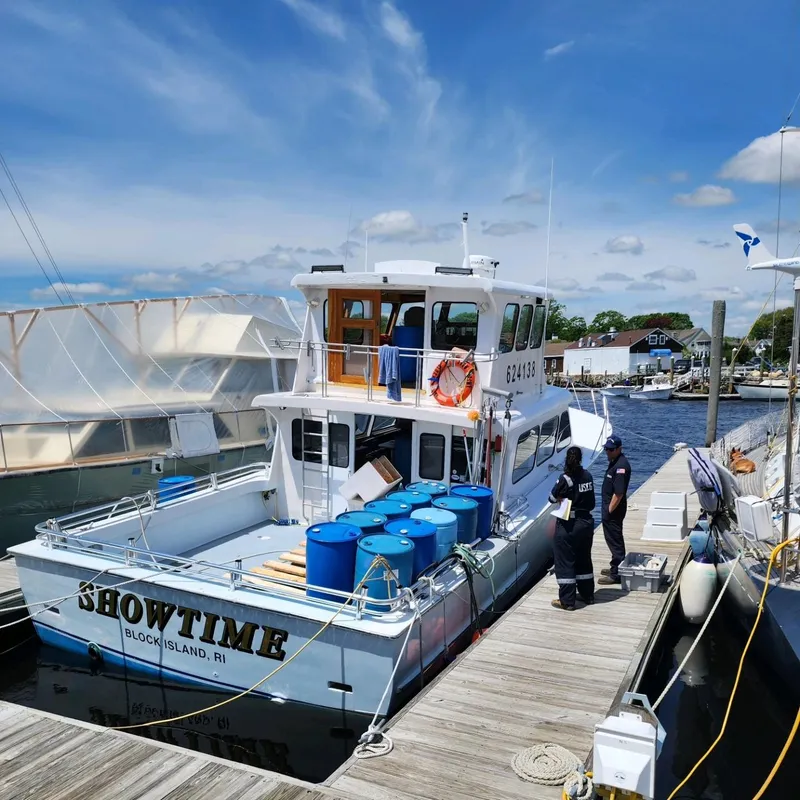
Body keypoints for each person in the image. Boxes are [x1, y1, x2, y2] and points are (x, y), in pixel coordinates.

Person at [549, 446, 596, 610]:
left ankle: (567, 601)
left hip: (569, 524)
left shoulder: (565, 478)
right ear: (581, 459)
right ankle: (587, 594)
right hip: (586, 523)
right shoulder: (588, 476)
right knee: (584, 559)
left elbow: (551, 497)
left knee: (565, 561)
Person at [598, 434, 632, 585]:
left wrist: (609, 511)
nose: (608, 452)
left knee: (615, 540)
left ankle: (616, 573)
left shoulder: (620, 467)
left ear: (619, 449)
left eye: (611, 449)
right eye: (606, 449)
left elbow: (618, 493)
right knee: (612, 539)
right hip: (610, 509)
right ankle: (616, 565)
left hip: (613, 511)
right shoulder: (614, 461)